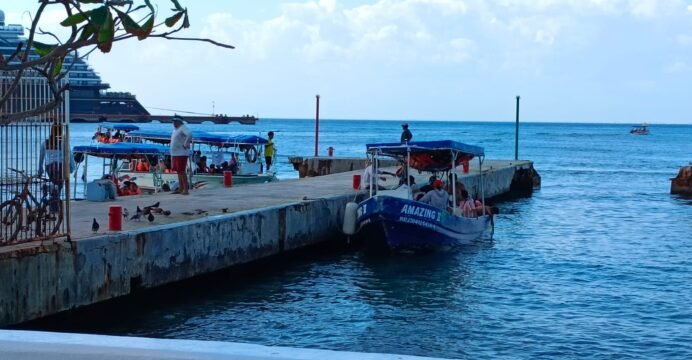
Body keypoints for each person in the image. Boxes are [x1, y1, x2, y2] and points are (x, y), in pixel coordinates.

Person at [170, 115, 192, 195]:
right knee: (178, 171)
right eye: (173, 122)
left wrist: (186, 144)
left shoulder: (183, 128)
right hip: (175, 153)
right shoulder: (175, 130)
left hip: (181, 153)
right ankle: (181, 188)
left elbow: (189, 134)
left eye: (175, 122)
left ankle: (186, 189)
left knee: (182, 171)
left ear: (179, 122)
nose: (173, 123)